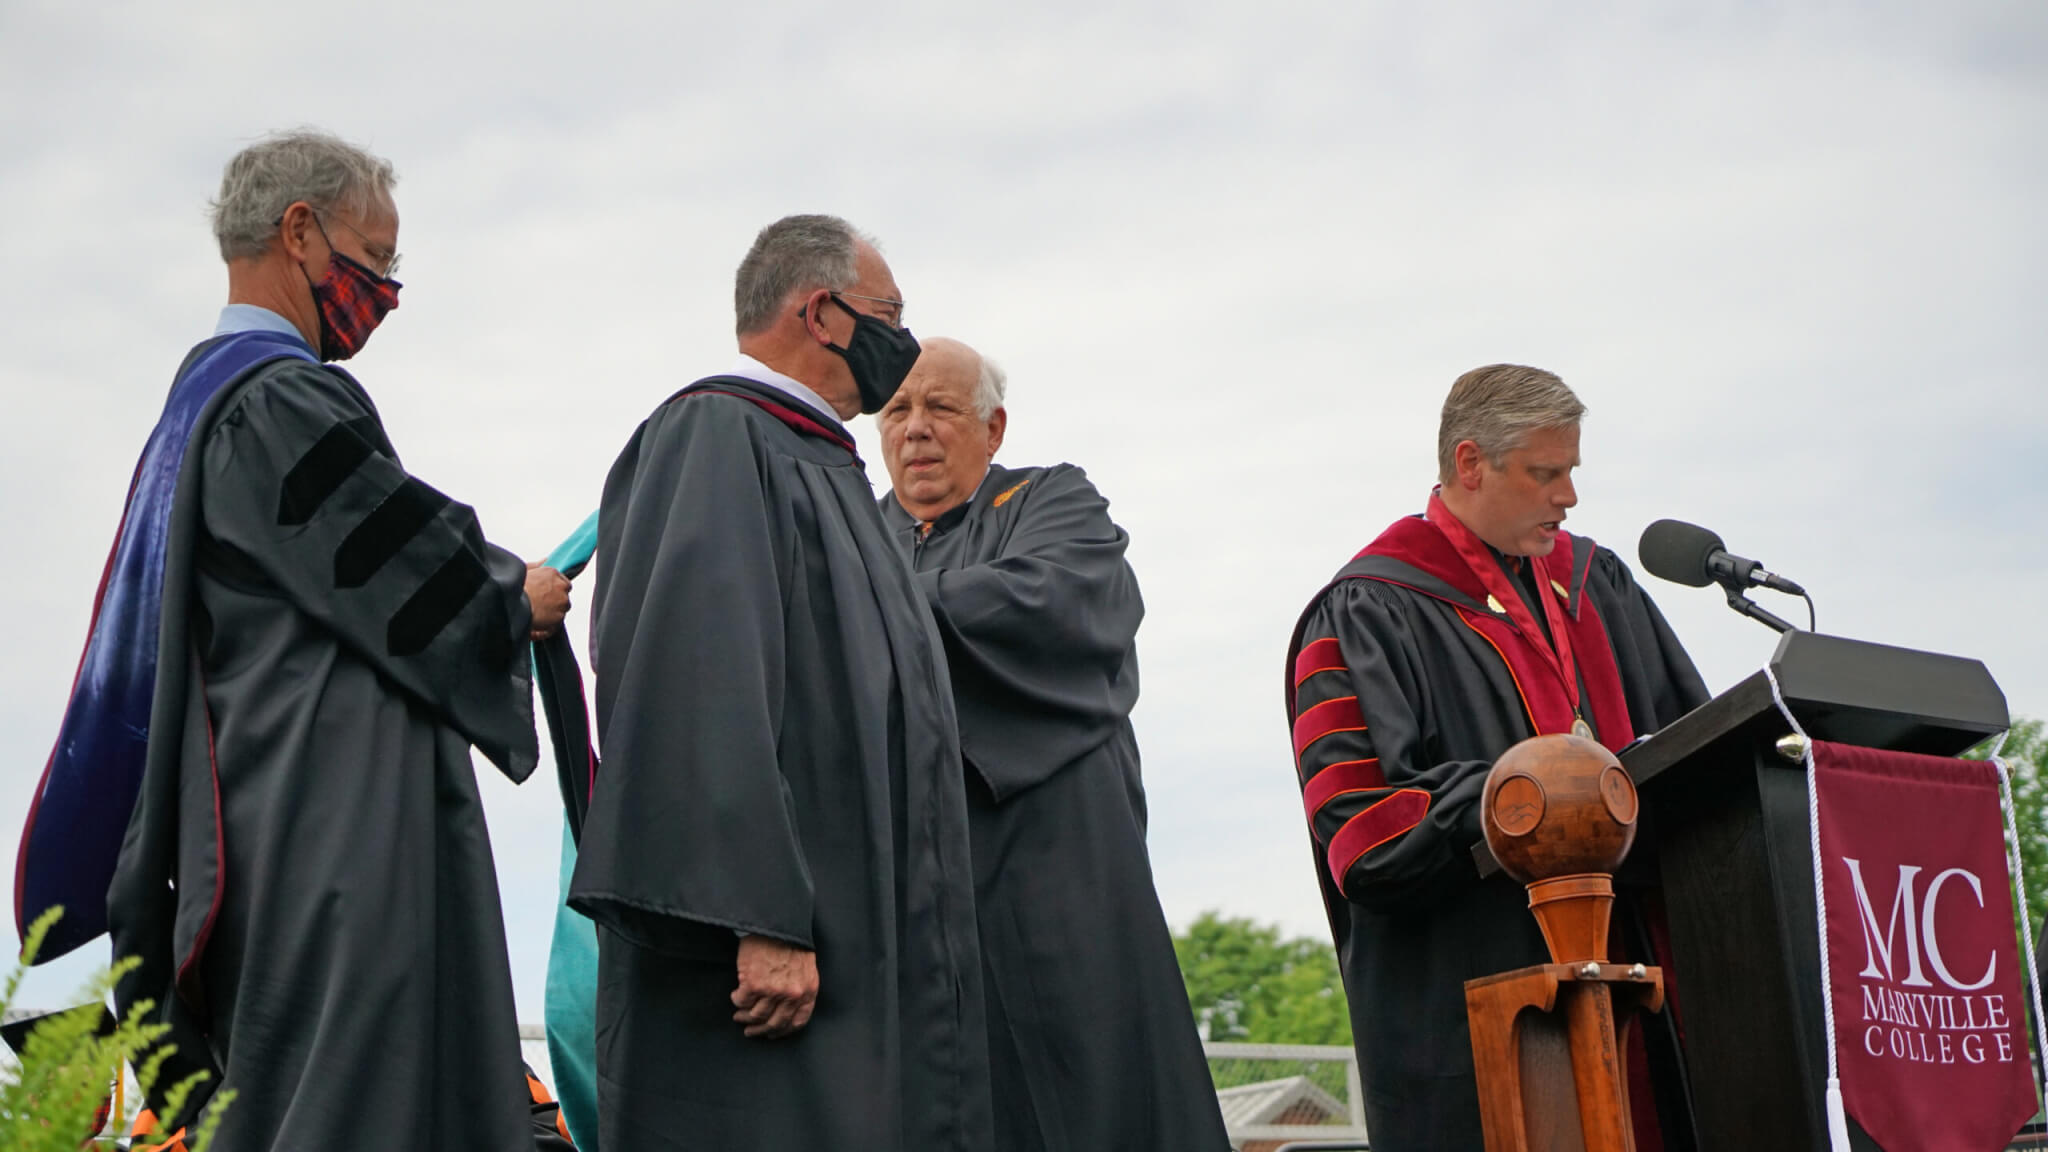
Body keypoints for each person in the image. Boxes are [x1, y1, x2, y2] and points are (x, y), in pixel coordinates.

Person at [46, 129, 572, 1151]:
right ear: (300, 233)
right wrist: (515, 595)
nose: (385, 292)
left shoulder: (199, 405)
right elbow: (397, 570)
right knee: (353, 1096)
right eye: (375, 262)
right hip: (326, 829)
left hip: (271, 807)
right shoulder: (275, 398)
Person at [569, 216, 993, 1151]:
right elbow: (695, 678)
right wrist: (757, 914)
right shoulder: (717, 433)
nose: (904, 340)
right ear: (823, 313)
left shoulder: (821, 465)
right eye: (890, 313)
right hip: (768, 948)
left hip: (851, 936)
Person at [1282, 364, 1709, 1151]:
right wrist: (1526, 793)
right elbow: (1361, 834)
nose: (1569, 497)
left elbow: (1697, 764)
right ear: (1472, 464)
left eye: (1571, 472)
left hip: (1642, 1000)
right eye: (1547, 474)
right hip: (1482, 1020)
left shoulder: (1600, 586)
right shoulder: (1365, 613)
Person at [876, 338, 1230, 1151]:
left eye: (942, 408)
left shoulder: (1051, 499)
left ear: (994, 429)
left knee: (1100, 1091)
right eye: (897, 410)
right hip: (916, 884)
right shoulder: (854, 531)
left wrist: (876, 619)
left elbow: (1054, 605)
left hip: (1061, 863)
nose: (916, 430)